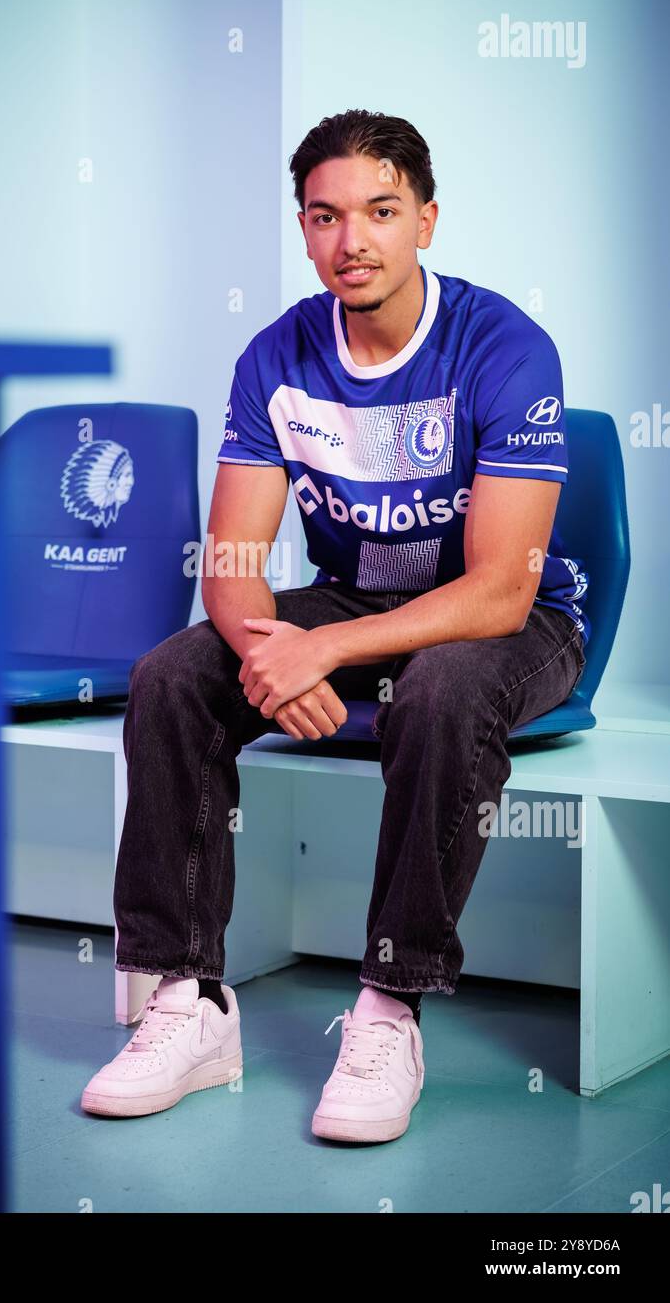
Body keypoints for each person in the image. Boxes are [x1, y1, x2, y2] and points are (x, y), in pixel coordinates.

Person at [81, 108, 588, 1144]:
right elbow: (230, 560)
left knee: (443, 686)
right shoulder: (275, 356)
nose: (350, 240)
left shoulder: (503, 345)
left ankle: (387, 1007)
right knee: (173, 676)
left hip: (514, 619)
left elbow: (498, 588)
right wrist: (274, 648)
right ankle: (186, 1002)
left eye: (379, 211)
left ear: (426, 220)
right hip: (352, 604)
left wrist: (323, 648)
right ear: (302, 228)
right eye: (323, 216)